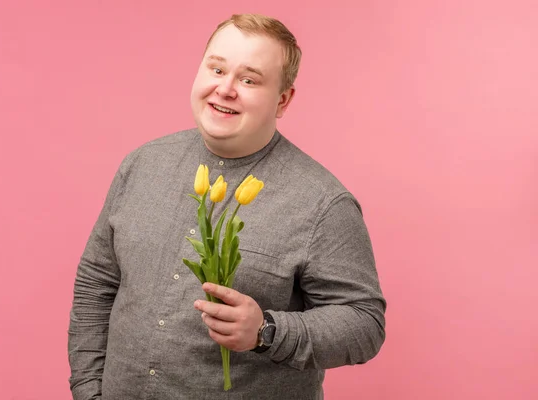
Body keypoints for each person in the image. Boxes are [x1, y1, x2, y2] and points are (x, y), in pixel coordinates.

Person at [68, 13, 386, 400]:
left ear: (282, 100)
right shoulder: (142, 164)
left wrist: (266, 332)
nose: (226, 89)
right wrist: (87, 389)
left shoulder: (323, 202)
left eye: (249, 79)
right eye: (217, 69)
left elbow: (364, 324)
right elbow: (96, 283)